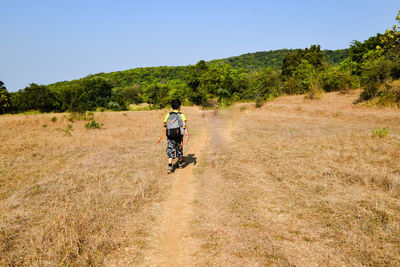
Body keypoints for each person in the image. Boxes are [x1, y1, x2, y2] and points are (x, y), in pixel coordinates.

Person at [164, 99, 189, 174]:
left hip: (170, 136)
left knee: (170, 149)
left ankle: (170, 165)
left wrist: (170, 126)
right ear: (179, 107)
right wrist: (187, 134)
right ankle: (180, 163)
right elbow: (184, 125)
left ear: (172, 107)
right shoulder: (181, 115)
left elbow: (164, 124)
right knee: (179, 149)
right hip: (178, 136)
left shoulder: (168, 115)